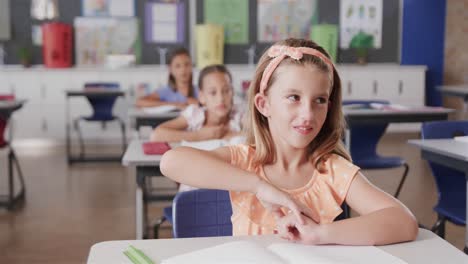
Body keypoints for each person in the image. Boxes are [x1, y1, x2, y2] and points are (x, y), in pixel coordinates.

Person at [160, 38, 418, 246]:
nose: (308, 114)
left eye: (319, 100)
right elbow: (172, 162)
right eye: (294, 97)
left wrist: (319, 234)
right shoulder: (245, 161)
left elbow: (403, 222)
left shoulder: (330, 169)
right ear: (264, 104)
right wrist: (260, 187)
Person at [150, 64, 242, 142]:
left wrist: (226, 135)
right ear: (202, 97)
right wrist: (199, 135)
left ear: (232, 92)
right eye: (213, 93)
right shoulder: (195, 114)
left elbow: (255, 134)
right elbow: (156, 135)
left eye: (226, 91)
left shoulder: (238, 115)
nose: (221, 98)